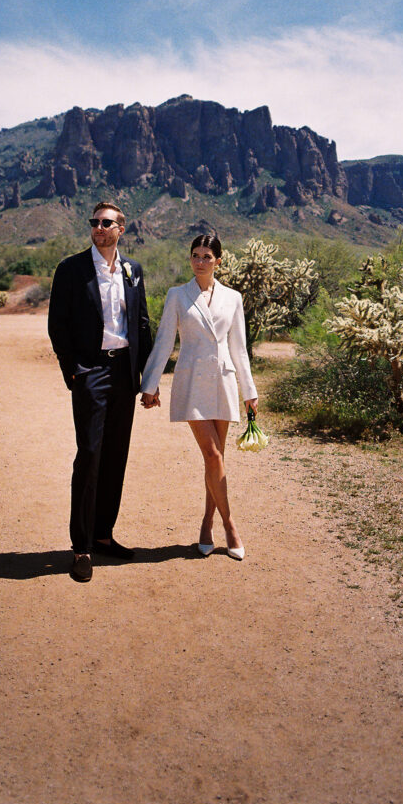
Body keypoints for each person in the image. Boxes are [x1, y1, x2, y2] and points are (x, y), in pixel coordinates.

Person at [48, 202, 152, 583]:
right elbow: (57, 325)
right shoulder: (71, 269)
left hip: (124, 372)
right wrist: (73, 370)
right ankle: (81, 547)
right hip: (90, 371)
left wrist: (147, 378)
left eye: (106, 223)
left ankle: (104, 535)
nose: (98, 228)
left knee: (115, 456)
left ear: (121, 228)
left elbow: (141, 324)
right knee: (89, 455)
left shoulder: (133, 271)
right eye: (94, 222)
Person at [140, 234, 257, 561]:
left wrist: (250, 391)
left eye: (207, 256)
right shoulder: (178, 295)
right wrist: (149, 384)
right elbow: (164, 340)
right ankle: (230, 525)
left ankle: (207, 522)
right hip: (191, 382)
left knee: (216, 458)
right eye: (195, 255)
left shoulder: (233, 298)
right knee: (212, 455)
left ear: (219, 260)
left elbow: (239, 348)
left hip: (223, 381)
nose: (200, 261)